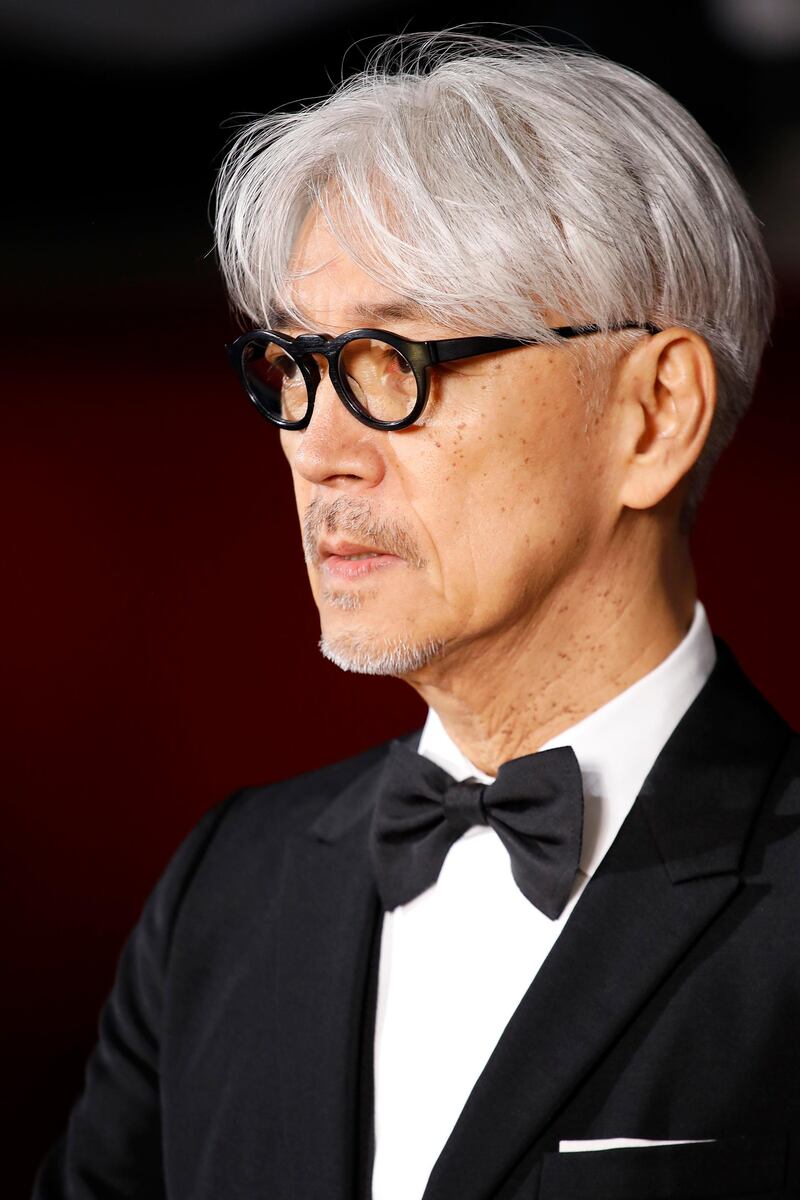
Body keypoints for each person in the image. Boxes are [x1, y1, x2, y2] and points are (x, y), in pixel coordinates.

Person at [35, 31, 799, 1200]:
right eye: (292, 365)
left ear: (653, 414)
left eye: (394, 360)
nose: (316, 451)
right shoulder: (227, 887)